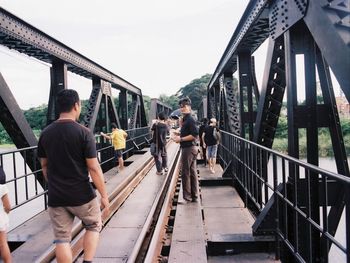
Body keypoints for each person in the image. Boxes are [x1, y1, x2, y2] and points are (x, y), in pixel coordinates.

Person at [37, 89, 110, 263]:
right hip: (82, 195)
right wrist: (104, 196)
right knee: (93, 225)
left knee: (62, 239)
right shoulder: (84, 133)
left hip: (57, 197)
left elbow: (44, 166)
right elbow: (93, 168)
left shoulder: (45, 133)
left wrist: (54, 184)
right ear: (76, 105)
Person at [173, 97, 199, 203]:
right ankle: (194, 195)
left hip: (188, 149)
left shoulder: (190, 119)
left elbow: (195, 135)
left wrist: (181, 139)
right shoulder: (186, 119)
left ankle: (187, 197)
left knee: (185, 172)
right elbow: (189, 132)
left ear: (188, 106)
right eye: (180, 107)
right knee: (192, 172)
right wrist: (179, 134)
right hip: (190, 148)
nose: (181, 109)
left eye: (183, 107)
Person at [0, 168, 11, 263]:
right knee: (3, 243)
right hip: (0, 220)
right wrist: (6, 212)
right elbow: (7, 206)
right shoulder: (2, 187)